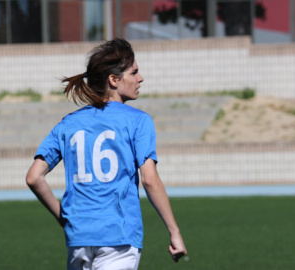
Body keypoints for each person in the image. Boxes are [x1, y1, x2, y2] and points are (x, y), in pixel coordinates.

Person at [26, 38, 187, 270]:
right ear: (114, 80)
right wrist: (174, 231)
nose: (140, 78)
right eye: (134, 72)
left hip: (79, 237)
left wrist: (64, 218)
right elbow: (150, 179)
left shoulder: (69, 123)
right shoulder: (138, 121)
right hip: (119, 237)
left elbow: (33, 177)